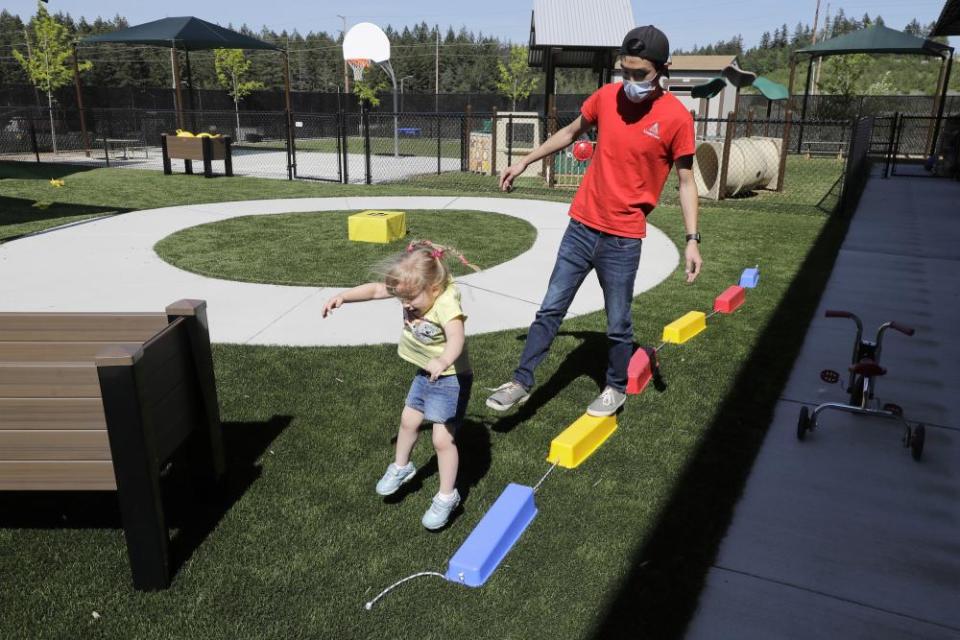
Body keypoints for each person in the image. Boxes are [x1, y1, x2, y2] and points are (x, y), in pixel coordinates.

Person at [486, 25, 703, 417]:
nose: (631, 81)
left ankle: (615, 387)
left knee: (618, 321)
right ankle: (521, 381)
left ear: (663, 69)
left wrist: (692, 238)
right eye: (626, 71)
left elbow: (686, 182)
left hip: (623, 239)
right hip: (581, 227)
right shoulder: (606, 97)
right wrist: (523, 162)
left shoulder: (676, 118)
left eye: (641, 74)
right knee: (550, 308)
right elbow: (570, 133)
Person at [322, 240, 475, 530]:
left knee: (442, 440)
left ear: (433, 288)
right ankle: (402, 467)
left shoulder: (446, 303)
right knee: (408, 420)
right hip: (426, 372)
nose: (405, 306)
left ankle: (447, 496)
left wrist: (443, 361)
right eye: (402, 299)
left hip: (451, 377)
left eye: (411, 300)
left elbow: (456, 338)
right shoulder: (414, 289)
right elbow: (377, 289)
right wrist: (344, 296)